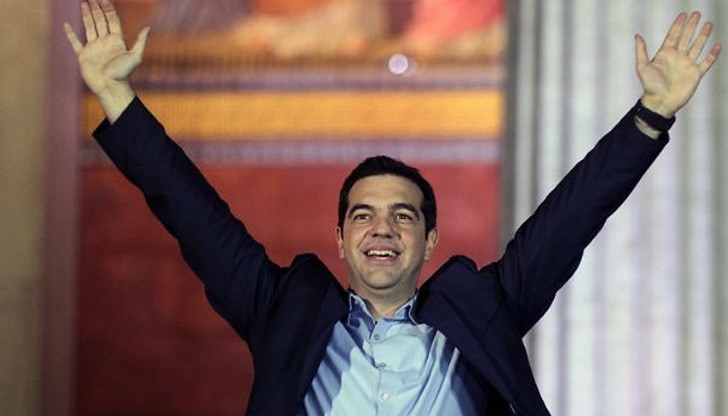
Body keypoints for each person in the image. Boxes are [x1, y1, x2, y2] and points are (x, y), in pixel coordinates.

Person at [64, 1, 721, 414]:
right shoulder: (285, 312)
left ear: (430, 240)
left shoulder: (481, 310)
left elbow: (571, 219)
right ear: (340, 239)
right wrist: (117, 99)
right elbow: (193, 214)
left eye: (403, 216)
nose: (383, 228)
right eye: (363, 215)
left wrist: (651, 114)